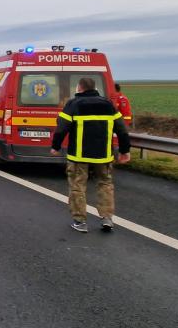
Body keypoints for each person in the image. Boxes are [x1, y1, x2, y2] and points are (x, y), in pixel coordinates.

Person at [50, 77, 131, 232]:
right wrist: (124, 151)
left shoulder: (73, 104)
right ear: (94, 88)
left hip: (79, 156)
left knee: (78, 186)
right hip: (103, 156)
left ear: (79, 88)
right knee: (105, 184)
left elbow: (62, 127)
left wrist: (55, 146)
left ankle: (80, 221)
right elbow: (121, 129)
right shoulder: (108, 105)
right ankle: (107, 218)